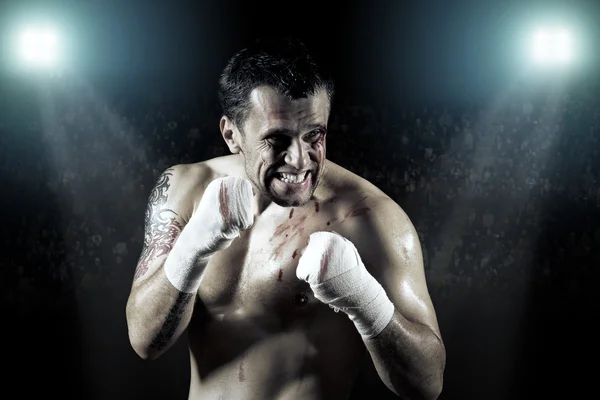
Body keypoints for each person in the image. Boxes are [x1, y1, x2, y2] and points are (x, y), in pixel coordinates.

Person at [126, 37, 446, 400]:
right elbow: (144, 341)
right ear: (232, 134)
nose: (299, 159)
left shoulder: (370, 218)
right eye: (277, 140)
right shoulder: (185, 190)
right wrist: (193, 245)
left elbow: (428, 383)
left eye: (314, 135)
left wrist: (363, 297)